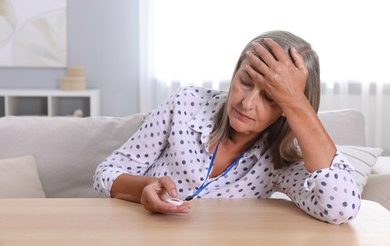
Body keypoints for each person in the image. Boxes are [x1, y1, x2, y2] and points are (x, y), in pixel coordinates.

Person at [93, 30, 360, 224]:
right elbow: (106, 173)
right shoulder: (187, 104)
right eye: (245, 81)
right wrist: (144, 189)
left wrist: (296, 104)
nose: (247, 103)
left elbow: (340, 209)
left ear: (285, 110)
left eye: (270, 97)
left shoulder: (281, 161)